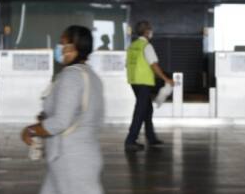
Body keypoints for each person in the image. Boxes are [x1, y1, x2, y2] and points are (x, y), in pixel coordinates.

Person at [22, 25, 105, 194]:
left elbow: (60, 122)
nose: (60, 48)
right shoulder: (92, 77)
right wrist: (45, 118)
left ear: (74, 47)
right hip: (79, 156)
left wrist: (30, 130)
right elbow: (85, 116)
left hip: (71, 161)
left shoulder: (71, 76)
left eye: (63, 43)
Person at [124, 20, 173, 152]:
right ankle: (130, 140)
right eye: (150, 29)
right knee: (140, 110)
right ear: (146, 32)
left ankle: (151, 137)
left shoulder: (132, 46)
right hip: (144, 82)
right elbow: (154, 65)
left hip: (134, 81)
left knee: (147, 109)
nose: (151, 32)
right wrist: (166, 79)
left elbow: (127, 64)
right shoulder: (146, 46)